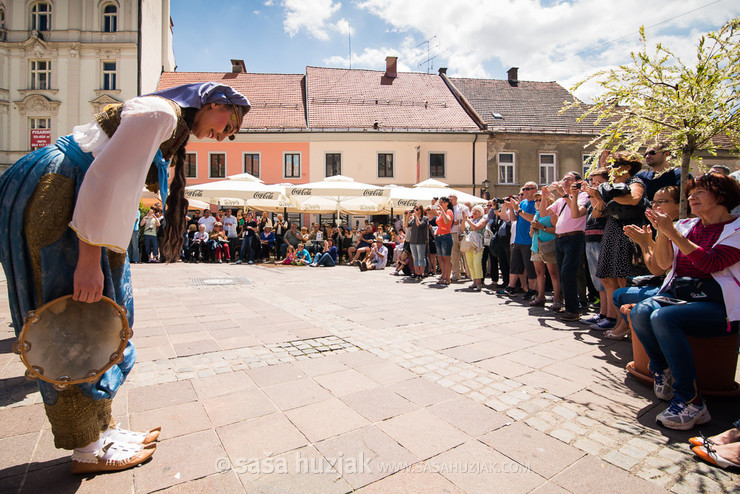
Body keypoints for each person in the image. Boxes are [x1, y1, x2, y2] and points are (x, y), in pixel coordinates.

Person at [0, 81, 250, 473]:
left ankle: (101, 429)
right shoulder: (161, 114)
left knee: (102, 317)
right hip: (62, 195)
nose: (221, 135)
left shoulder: (166, 118)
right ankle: (88, 448)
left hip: (71, 197)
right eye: (227, 123)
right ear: (213, 102)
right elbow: (104, 181)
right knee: (73, 321)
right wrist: (88, 260)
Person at [630, 172, 740, 430]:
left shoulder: (736, 229)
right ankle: (662, 369)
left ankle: (690, 401)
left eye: (699, 192)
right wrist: (662, 234)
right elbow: (665, 264)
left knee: (663, 317)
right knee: (640, 311)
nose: (691, 197)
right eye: (690, 193)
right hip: (682, 294)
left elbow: (711, 263)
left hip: (720, 304)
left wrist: (671, 232)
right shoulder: (686, 226)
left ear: (722, 196)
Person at [586, 151, 649, 326]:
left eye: (614, 165)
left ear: (628, 167)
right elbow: (598, 214)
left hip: (627, 233)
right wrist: (597, 197)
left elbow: (634, 199)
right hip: (611, 231)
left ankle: (625, 324)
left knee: (622, 280)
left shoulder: (634, 182)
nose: (611, 170)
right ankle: (616, 320)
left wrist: (607, 192)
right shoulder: (611, 188)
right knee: (607, 278)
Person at [545, 172, 590, 320]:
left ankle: (574, 309)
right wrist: (545, 196)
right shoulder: (561, 199)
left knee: (568, 273)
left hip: (574, 237)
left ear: (578, 182)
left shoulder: (583, 196)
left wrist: (565, 195)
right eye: (563, 179)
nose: (564, 181)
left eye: (568, 179)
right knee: (563, 273)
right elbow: (544, 212)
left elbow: (577, 212)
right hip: (560, 239)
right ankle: (570, 305)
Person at [582, 168, 610, 326]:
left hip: (602, 238)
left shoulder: (606, 196)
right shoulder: (591, 197)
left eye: (599, 182)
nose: (595, 185)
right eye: (593, 182)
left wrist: (594, 194)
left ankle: (610, 317)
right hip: (590, 238)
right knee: (598, 281)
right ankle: (602, 313)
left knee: (607, 281)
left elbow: (599, 212)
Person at [500, 183, 538, 297]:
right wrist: (511, 208)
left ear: (535, 190)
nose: (525, 191)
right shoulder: (523, 203)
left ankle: (532, 289)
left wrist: (519, 209)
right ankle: (511, 287)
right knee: (515, 264)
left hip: (529, 240)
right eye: (524, 189)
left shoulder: (536, 204)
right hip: (518, 240)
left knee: (529, 266)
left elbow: (533, 219)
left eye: (527, 189)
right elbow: (513, 218)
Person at [530, 193, 561, 307]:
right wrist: (532, 229)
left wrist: (541, 227)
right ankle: (540, 296)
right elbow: (532, 232)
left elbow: (557, 230)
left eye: (540, 200)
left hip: (549, 245)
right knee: (539, 273)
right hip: (536, 246)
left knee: (553, 273)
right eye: (536, 200)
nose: (538, 202)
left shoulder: (552, 214)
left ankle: (557, 299)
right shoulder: (537, 214)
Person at [461, 205, 487, 291]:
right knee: (470, 264)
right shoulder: (470, 220)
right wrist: (464, 220)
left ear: (481, 213)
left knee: (477, 263)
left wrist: (467, 220)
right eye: (473, 211)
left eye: (477, 211)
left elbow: (475, 227)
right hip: (469, 244)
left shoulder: (483, 219)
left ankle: (479, 282)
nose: (474, 212)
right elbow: (462, 229)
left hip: (478, 245)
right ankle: (474, 281)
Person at [403, 205, 429, 280]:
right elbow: (406, 226)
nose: (416, 210)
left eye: (417, 209)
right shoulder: (413, 219)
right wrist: (407, 216)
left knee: (421, 258)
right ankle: (417, 273)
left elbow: (419, 225)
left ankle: (421, 273)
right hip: (413, 241)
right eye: (414, 209)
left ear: (421, 210)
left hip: (421, 241)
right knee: (415, 258)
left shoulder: (424, 218)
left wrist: (416, 216)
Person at [434, 197, 454, 285]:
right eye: (440, 202)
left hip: (446, 236)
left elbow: (447, 222)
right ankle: (443, 276)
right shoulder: (440, 213)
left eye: (442, 202)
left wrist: (442, 211)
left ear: (447, 203)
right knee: (440, 258)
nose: (440, 203)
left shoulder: (449, 211)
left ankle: (448, 278)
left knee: (446, 258)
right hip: (438, 236)